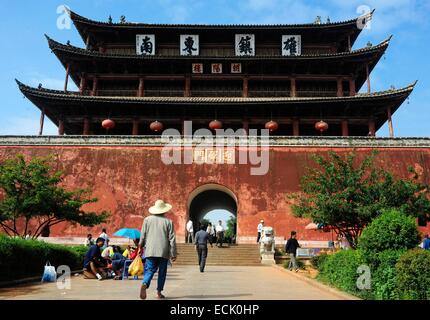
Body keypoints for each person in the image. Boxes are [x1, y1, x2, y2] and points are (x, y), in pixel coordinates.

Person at [138, 199, 177, 300]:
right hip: (163, 251)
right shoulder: (169, 222)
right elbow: (172, 239)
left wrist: (140, 247)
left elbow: (142, 235)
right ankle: (159, 293)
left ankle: (145, 283)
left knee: (150, 270)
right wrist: (173, 253)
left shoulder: (147, 220)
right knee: (162, 272)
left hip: (150, 249)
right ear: (164, 210)